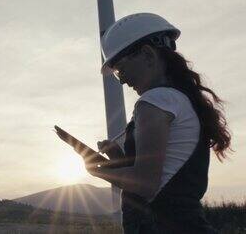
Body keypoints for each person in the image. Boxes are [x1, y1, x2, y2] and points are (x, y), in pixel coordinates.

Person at [83, 13, 231, 233]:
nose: (121, 79)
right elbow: (164, 173)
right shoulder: (179, 99)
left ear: (147, 54)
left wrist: (99, 169)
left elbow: (145, 184)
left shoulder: (155, 100)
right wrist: (116, 158)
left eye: (120, 68)